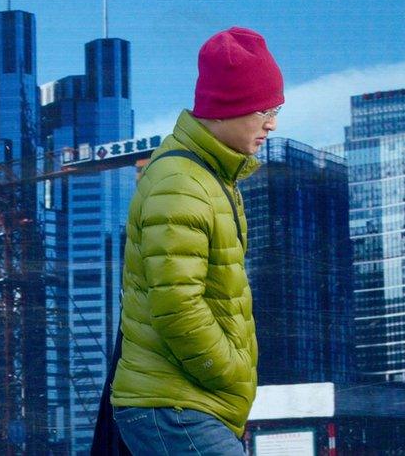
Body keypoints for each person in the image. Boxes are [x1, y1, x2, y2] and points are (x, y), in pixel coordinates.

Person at [109, 27, 283, 455]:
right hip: (174, 402)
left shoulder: (207, 178)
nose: (272, 124)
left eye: (276, 109)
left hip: (184, 399)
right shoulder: (182, 183)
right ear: (226, 108)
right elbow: (178, 305)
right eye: (262, 110)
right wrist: (230, 370)